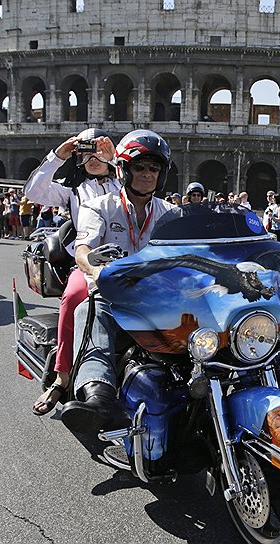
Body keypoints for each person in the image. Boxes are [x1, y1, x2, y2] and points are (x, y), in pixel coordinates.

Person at [58, 129, 176, 433]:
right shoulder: (99, 207)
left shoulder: (171, 213)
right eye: (139, 166)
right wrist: (94, 270)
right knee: (88, 309)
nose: (147, 174)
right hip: (115, 294)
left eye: (154, 168)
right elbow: (83, 249)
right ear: (124, 168)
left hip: (161, 297)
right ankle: (99, 396)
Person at [25, 129, 121, 416]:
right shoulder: (72, 190)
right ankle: (61, 377)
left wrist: (115, 160)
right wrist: (59, 154)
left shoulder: (125, 183)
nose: (92, 158)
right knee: (75, 295)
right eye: (85, 152)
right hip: (87, 260)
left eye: (98, 150)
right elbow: (33, 192)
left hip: (128, 257)